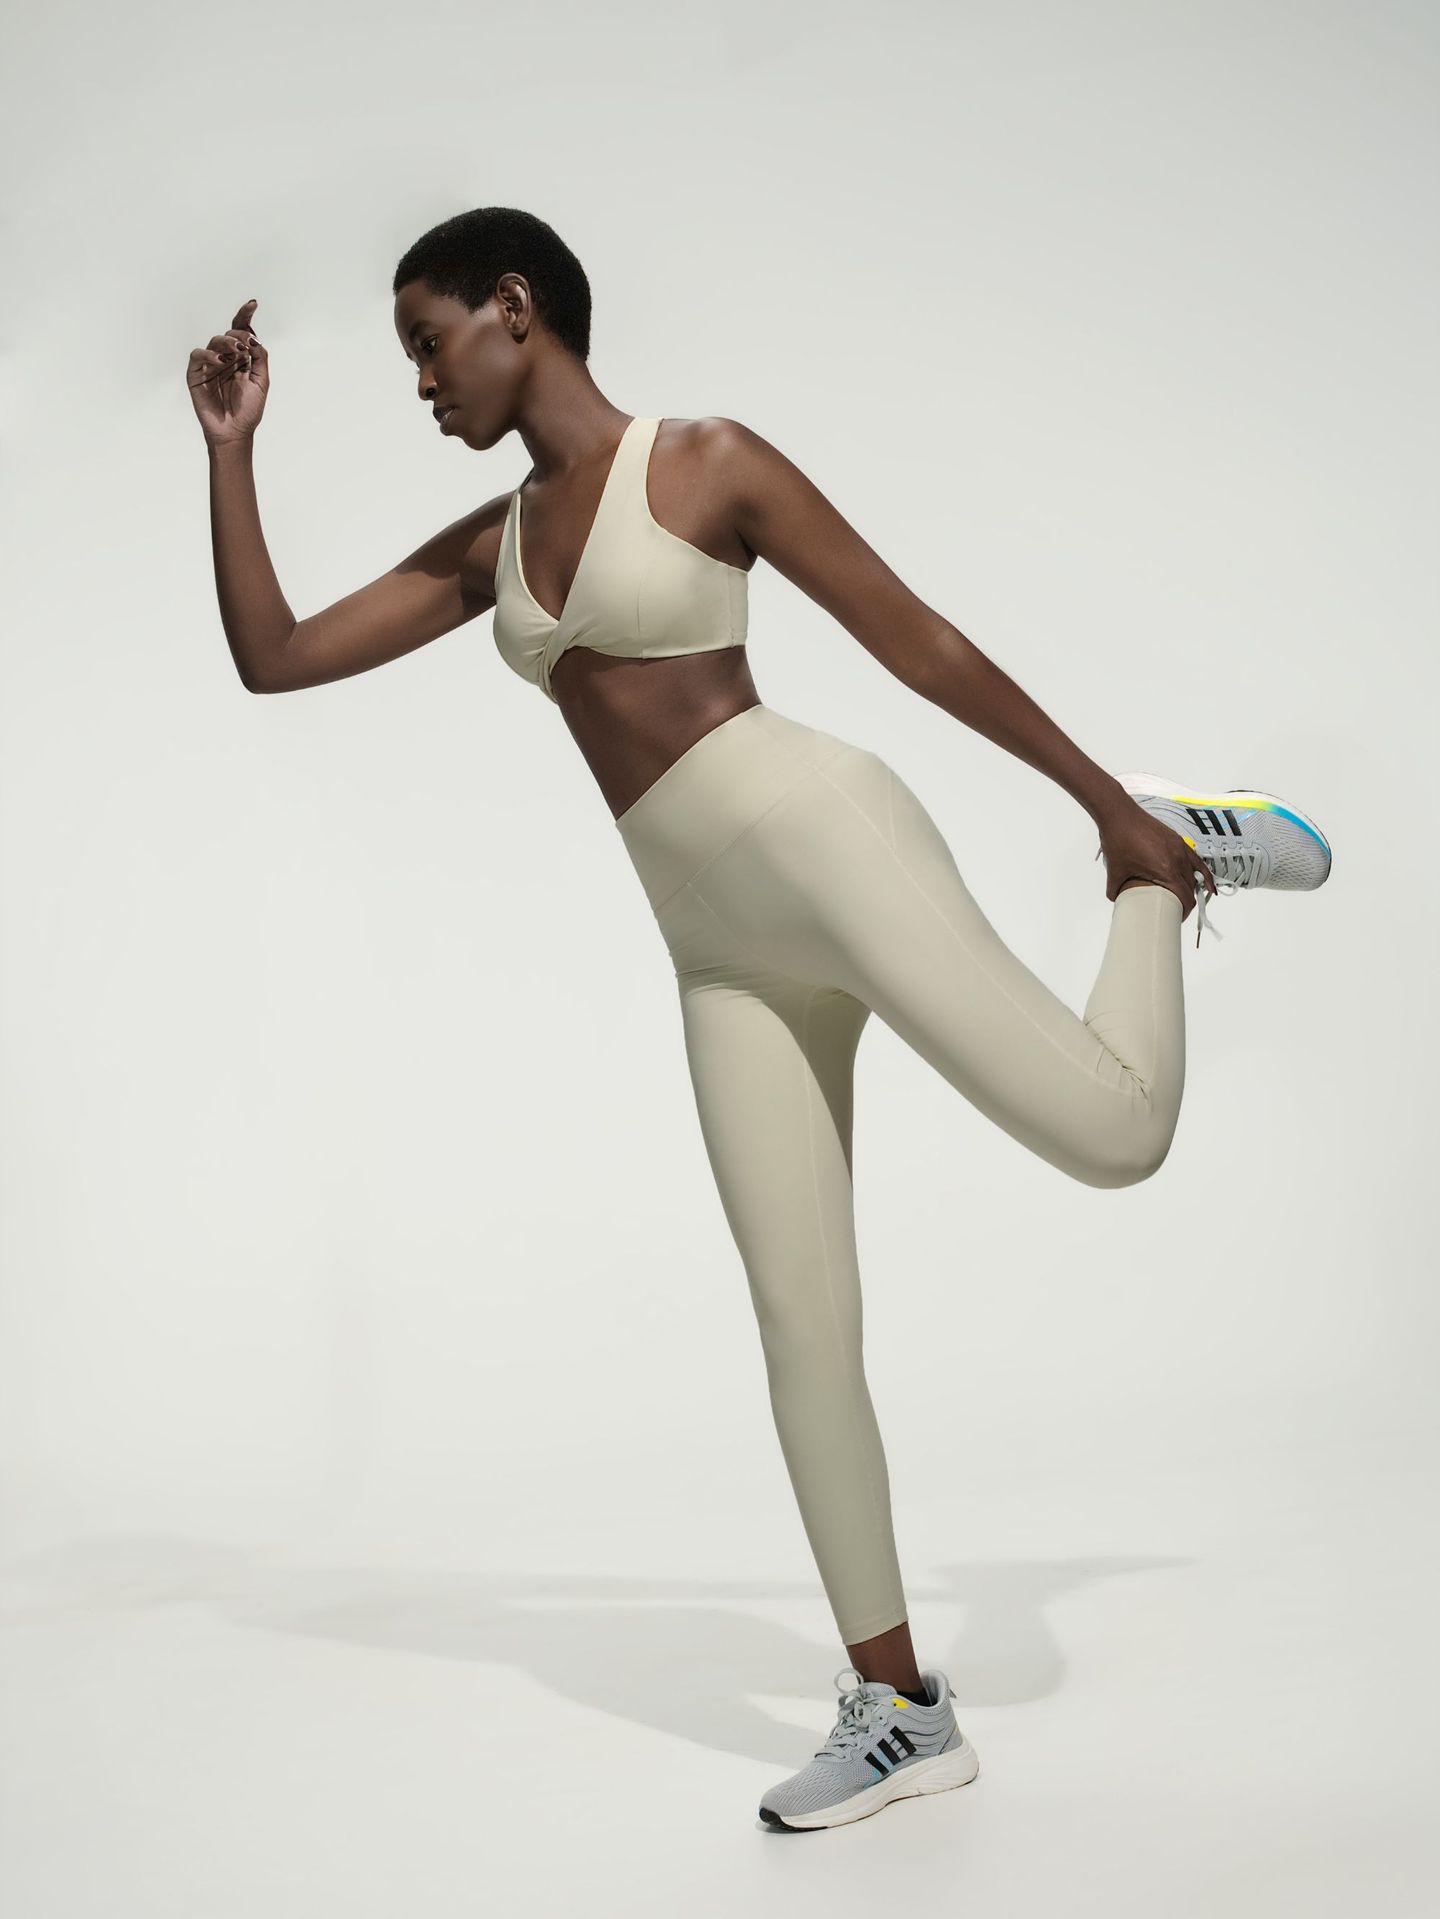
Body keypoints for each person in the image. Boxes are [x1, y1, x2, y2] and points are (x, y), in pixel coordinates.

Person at [187, 206, 1332, 1835]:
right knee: (802, 1319)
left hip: (825, 841)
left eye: (429, 346)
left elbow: (915, 640)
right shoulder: (489, 542)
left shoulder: (704, 459)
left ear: (516, 308)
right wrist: (232, 450)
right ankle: (900, 1707)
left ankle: (1164, 863)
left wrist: (1100, 806)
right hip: (713, 942)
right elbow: (277, 655)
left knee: (1117, 1135)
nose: (423, 384)